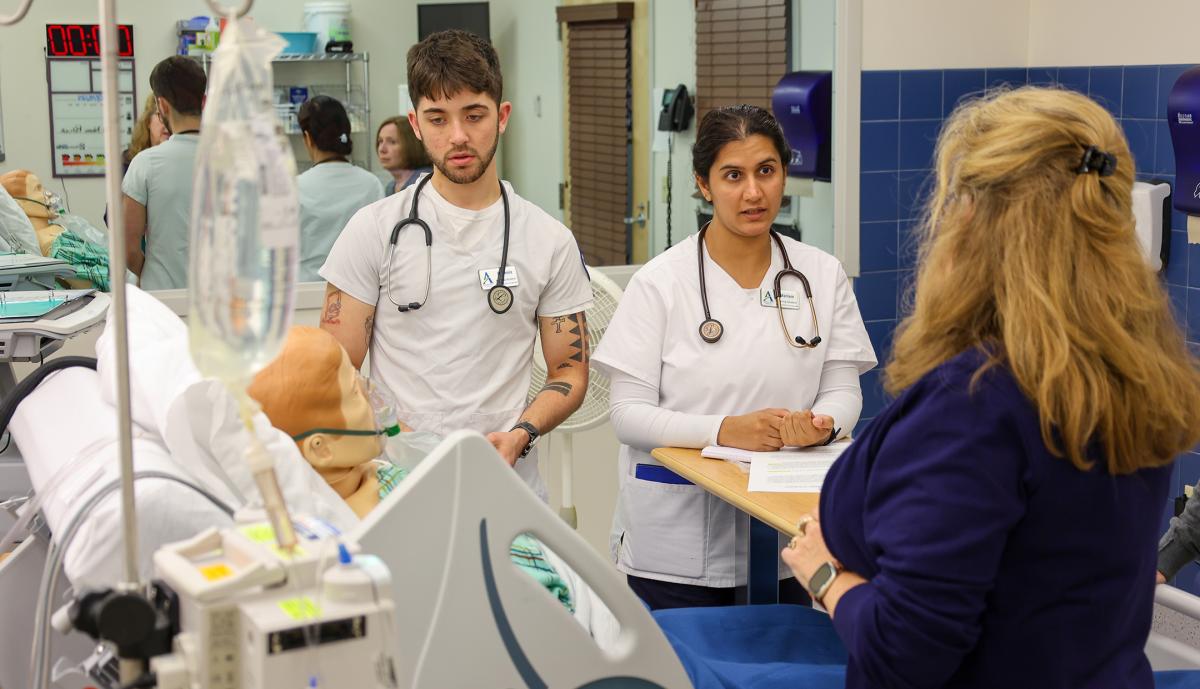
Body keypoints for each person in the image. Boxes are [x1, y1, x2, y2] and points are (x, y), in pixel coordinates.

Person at [780, 87, 1200, 689]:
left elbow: (905, 655)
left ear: (973, 219)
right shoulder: (1138, 375)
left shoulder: (975, 403)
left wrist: (825, 577)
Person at [591, 105, 876, 610]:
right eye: (733, 175)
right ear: (704, 184)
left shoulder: (820, 275)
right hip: (675, 545)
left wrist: (824, 423)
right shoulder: (660, 283)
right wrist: (723, 430)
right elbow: (626, 416)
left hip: (789, 529)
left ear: (784, 173)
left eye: (766, 171)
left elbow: (843, 387)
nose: (753, 192)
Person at [319, 30, 593, 498]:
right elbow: (333, 366)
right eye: (438, 119)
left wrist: (521, 434)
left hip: (508, 484)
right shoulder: (373, 229)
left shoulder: (548, 240)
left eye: (474, 115)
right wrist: (385, 431)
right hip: (396, 485)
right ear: (416, 123)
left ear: (502, 116)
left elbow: (569, 371)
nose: (459, 136)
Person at [121, 55, 206, 290]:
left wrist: (152, 273)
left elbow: (129, 248)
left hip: (162, 299)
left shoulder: (145, 164)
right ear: (205, 101)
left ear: (162, 106)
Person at [296, 96, 384, 282]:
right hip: (359, 290)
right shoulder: (371, 184)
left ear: (308, 138)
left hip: (304, 291)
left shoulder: (295, 188)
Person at [376, 114, 433, 195]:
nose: (382, 149)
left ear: (411, 144)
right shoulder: (390, 187)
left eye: (392, 142)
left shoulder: (426, 183)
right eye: (380, 141)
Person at [122, 94, 169, 170]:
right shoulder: (129, 160)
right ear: (148, 121)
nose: (168, 123)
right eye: (161, 115)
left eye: (172, 118)